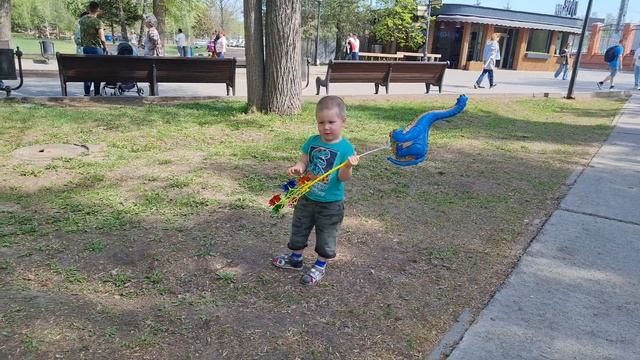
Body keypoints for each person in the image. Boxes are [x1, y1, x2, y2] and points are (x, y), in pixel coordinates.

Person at [272, 96, 359, 286]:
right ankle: (295, 259)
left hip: (330, 203)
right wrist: (298, 168)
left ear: (343, 122)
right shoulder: (312, 141)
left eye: (331, 122)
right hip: (307, 196)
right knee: (299, 227)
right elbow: (304, 160)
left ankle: (320, 266)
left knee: (326, 235)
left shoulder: (346, 148)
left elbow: (344, 178)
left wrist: (348, 167)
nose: (326, 127)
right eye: (321, 123)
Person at [78, 1, 108, 96]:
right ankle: (97, 92)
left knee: (88, 71)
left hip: (86, 48)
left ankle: (87, 92)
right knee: (97, 71)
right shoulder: (97, 22)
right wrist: (105, 47)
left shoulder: (82, 20)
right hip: (96, 49)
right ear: (97, 10)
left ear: (89, 9)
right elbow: (102, 38)